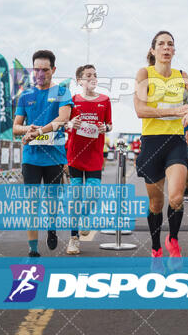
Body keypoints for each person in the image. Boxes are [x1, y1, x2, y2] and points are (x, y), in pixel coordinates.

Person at [133, 31, 188, 260]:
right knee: (156, 203)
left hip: (175, 142)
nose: (166, 48)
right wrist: (177, 110)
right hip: (152, 143)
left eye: (170, 44)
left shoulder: (182, 75)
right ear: (153, 50)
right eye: (161, 44)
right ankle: (156, 246)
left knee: (176, 198)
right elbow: (140, 110)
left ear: (174, 51)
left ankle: (173, 240)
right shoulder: (144, 73)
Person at [13, 50, 73, 258]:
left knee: (52, 203)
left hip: (54, 157)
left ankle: (52, 228)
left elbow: (62, 120)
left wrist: (39, 131)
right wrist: (28, 129)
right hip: (31, 157)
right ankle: (33, 249)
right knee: (32, 204)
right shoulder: (26, 95)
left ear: (53, 70)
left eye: (44, 70)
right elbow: (16, 127)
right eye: (36, 69)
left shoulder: (62, 92)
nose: (40, 74)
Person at [65, 64, 112, 255]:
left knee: (93, 194)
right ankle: (73, 239)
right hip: (75, 153)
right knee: (75, 197)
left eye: (94, 75)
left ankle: (85, 216)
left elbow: (109, 125)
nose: (92, 78)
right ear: (79, 80)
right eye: (88, 76)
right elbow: (64, 123)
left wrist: (104, 129)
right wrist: (70, 123)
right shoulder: (72, 100)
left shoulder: (105, 100)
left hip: (94, 154)